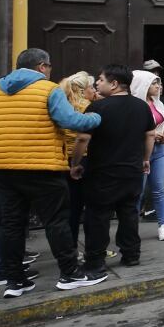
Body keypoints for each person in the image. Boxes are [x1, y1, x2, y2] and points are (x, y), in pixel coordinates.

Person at [0, 48, 105, 297]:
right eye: (48, 66)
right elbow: (72, 121)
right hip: (43, 169)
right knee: (56, 221)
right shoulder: (48, 90)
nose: (50, 71)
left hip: (4, 171)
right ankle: (70, 273)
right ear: (41, 67)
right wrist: (96, 117)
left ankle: (15, 281)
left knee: (11, 226)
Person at [70, 64, 156, 272]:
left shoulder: (98, 108)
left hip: (103, 171)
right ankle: (131, 254)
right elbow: (150, 135)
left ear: (115, 84)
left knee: (98, 216)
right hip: (132, 170)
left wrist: (75, 163)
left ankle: (96, 260)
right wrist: (146, 158)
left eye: (100, 80)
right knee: (129, 213)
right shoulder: (141, 106)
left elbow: (82, 138)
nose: (97, 83)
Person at [131, 70, 164, 239]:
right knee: (138, 191)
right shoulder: (135, 105)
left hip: (160, 150)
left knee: (159, 189)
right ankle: (131, 227)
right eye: (154, 83)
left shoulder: (158, 102)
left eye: (158, 83)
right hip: (141, 152)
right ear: (144, 85)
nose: (158, 86)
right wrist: (149, 134)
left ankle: (163, 225)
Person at [58, 72, 96, 249]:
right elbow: (83, 138)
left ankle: (70, 246)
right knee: (91, 206)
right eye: (91, 87)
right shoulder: (87, 107)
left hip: (65, 158)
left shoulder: (62, 106)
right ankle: (92, 247)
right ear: (82, 90)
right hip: (84, 159)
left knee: (71, 208)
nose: (94, 90)